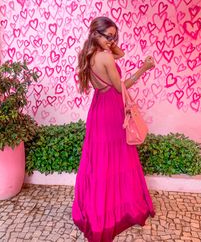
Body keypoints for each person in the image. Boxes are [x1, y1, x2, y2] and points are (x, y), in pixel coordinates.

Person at [72, 16, 155, 242]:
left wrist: (108, 42)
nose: (112, 41)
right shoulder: (106, 57)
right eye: (108, 36)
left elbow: (121, 55)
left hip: (98, 110)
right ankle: (114, 212)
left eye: (114, 36)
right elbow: (120, 88)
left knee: (100, 161)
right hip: (111, 111)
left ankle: (98, 208)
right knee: (117, 158)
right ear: (95, 34)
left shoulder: (88, 55)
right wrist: (143, 69)